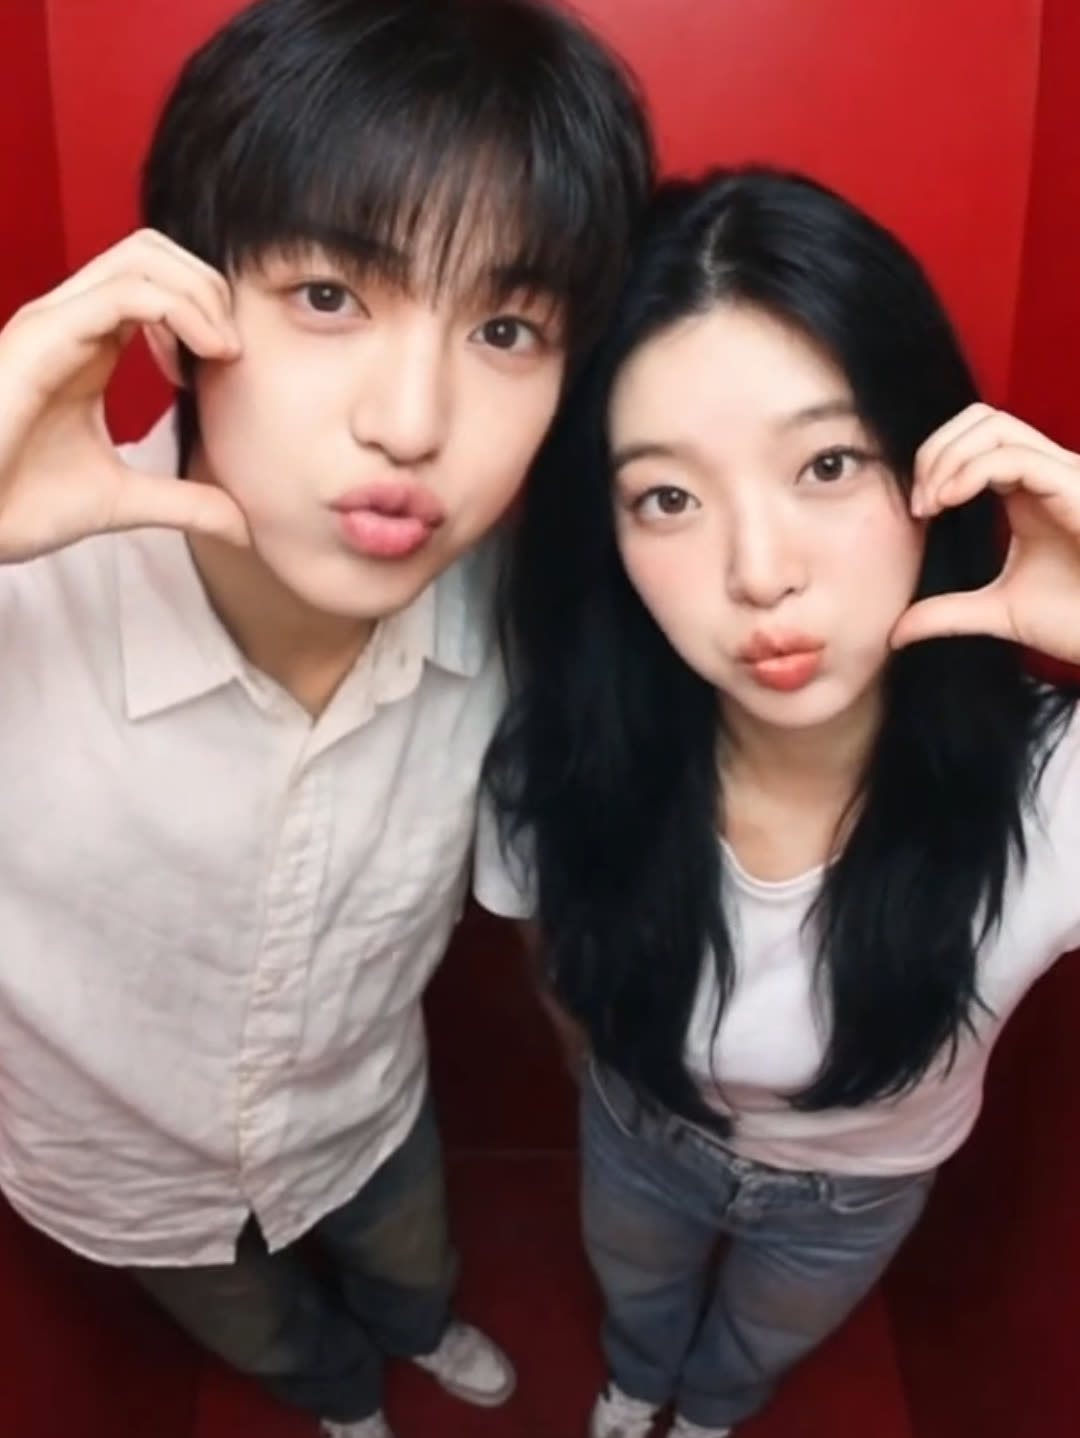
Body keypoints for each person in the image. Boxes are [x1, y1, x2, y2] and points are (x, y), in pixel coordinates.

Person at [0, 2, 652, 1436]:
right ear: (172, 314)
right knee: (265, 1332)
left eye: (504, 328)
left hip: (365, 1112)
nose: (412, 421)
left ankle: (417, 1331)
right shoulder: (22, 592)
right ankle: (345, 1400)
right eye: (329, 295)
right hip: (122, 1171)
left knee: (413, 1263)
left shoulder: (518, 620)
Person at [478, 166, 1080, 1438]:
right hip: (639, 1131)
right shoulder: (568, 749)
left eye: (827, 462)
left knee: (757, 1346)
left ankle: (704, 1415)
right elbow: (546, 948)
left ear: (935, 464)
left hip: (859, 1191)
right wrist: (600, 1071)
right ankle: (635, 1385)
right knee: (636, 1295)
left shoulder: (1054, 786)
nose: (759, 572)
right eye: (669, 498)